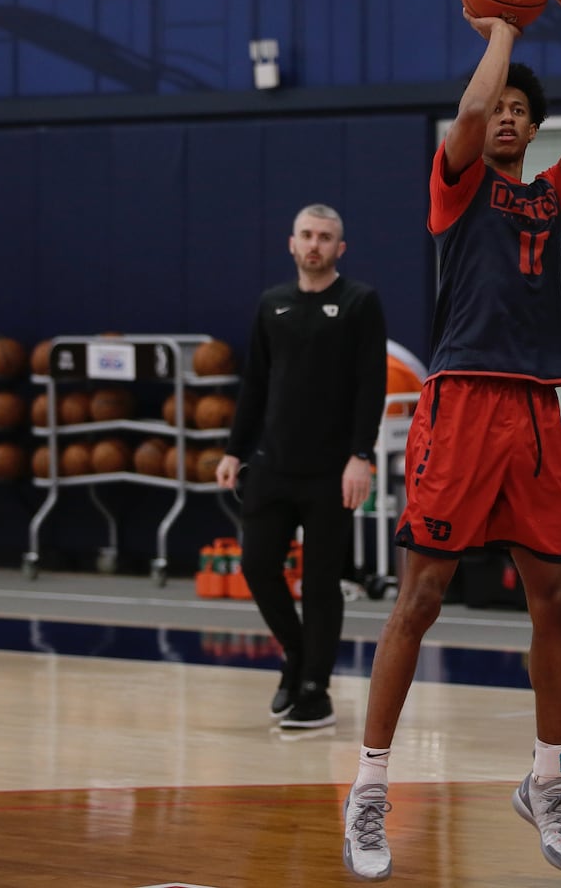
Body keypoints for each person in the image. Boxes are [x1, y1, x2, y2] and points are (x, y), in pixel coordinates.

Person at [342, 0, 561, 882]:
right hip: (460, 403)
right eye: (495, 107)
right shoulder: (454, 187)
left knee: (556, 598)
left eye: (516, 111)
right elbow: (464, 104)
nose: (502, 116)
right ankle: (371, 788)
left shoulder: (550, 198)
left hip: (536, 410)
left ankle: (546, 779)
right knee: (420, 597)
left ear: (532, 128)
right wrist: (500, 23)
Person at [216, 204, 387, 731]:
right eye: (307, 235)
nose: (315, 244)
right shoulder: (273, 305)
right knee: (257, 567)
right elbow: (256, 385)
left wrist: (361, 456)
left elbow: (370, 385)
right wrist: (235, 449)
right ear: (292, 243)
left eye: (326, 237)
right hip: (272, 464)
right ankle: (297, 658)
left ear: (341, 247)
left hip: (332, 470)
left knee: (319, 583)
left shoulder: (360, 303)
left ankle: (315, 690)